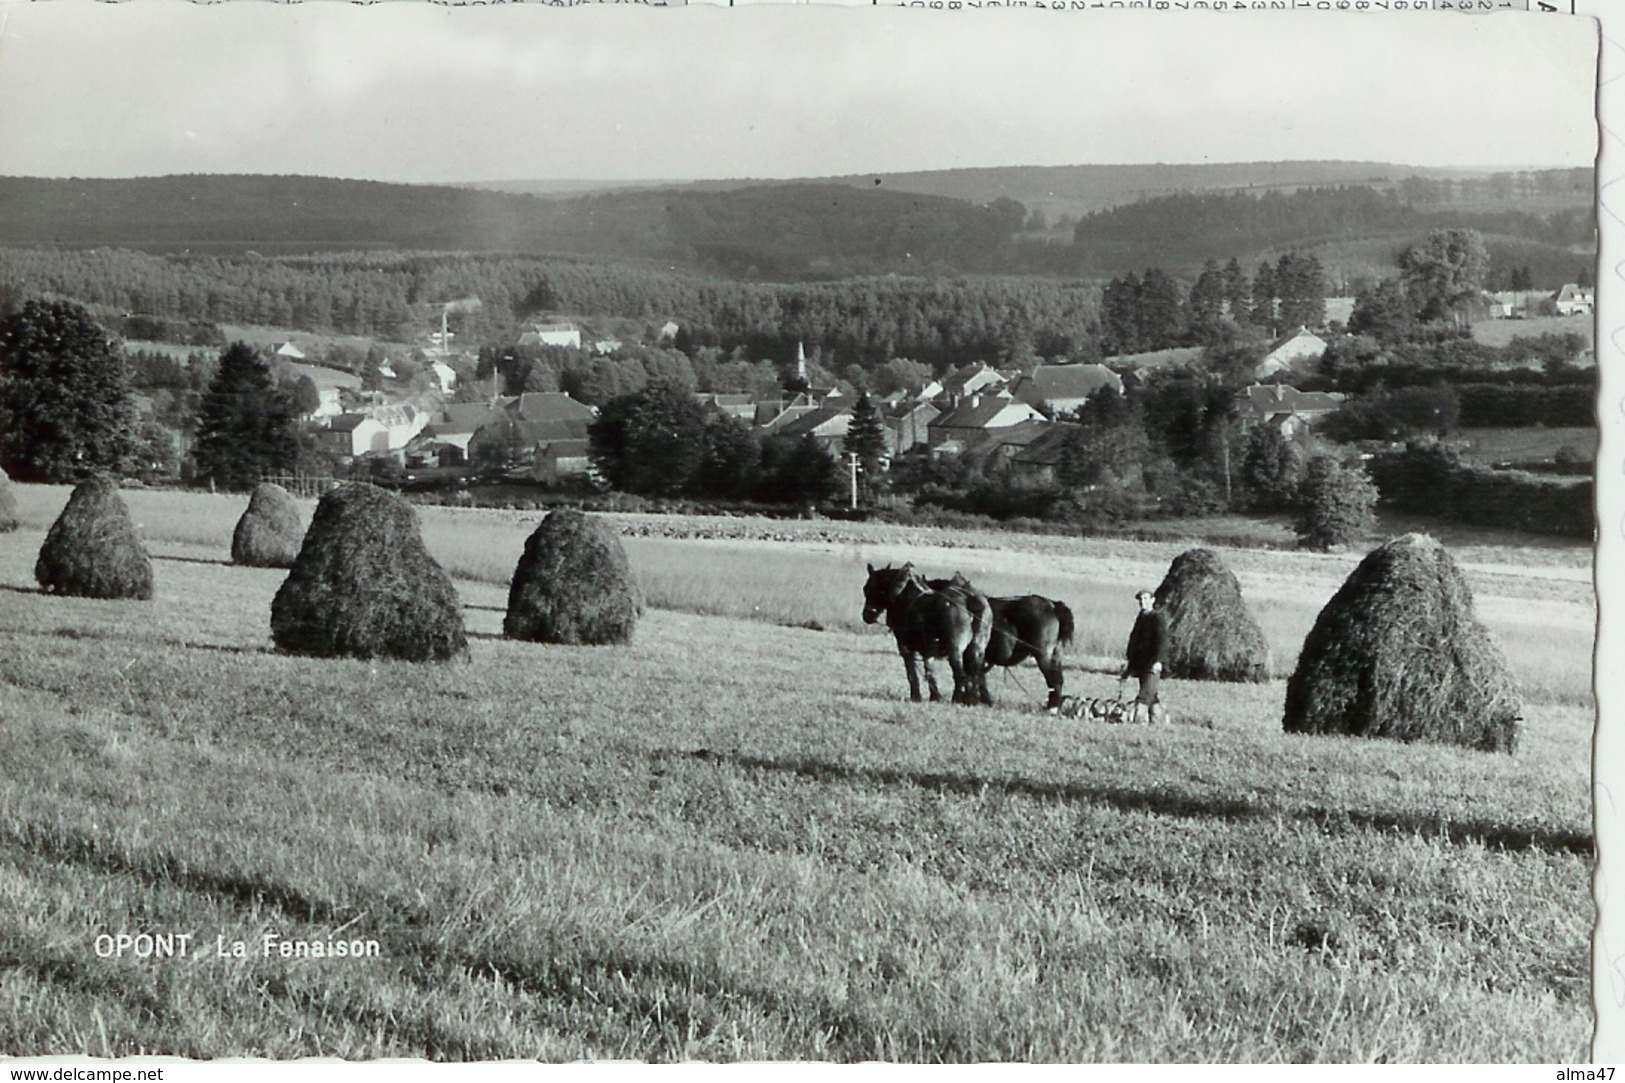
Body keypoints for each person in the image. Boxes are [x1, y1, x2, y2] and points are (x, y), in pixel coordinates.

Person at [1122, 589, 1170, 724]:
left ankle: (1139, 720)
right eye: (1141, 600)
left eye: (1146, 599)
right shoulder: (1141, 617)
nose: (1143, 602)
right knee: (1151, 695)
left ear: (1152, 600)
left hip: (1153, 663)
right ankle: (1159, 720)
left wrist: (1158, 661)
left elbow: (1162, 642)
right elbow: (1134, 639)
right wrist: (1130, 660)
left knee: (1144, 695)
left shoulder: (1157, 618)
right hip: (1141, 663)